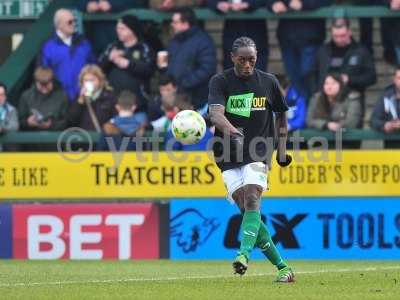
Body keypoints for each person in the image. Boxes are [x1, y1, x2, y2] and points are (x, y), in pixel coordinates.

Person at [207, 36, 294, 282]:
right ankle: (284, 269)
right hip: (227, 154)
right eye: (242, 60)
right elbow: (215, 114)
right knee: (247, 211)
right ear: (232, 57)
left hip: (259, 149)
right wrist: (234, 133)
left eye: (252, 60)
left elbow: (281, 117)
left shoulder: (269, 82)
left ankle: (243, 255)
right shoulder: (220, 81)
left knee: (253, 197)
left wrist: (282, 150)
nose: (247, 64)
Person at [308, 17, 376, 116]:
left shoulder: (361, 51)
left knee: (349, 130)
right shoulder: (323, 50)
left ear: (350, 32)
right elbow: (312, 73)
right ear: (331, 33)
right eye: (336, 36)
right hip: (325, 101)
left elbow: (372, 77)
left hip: (351, 102)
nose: (339, 39)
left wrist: (349, 79)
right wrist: (316, 92)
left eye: (343, 35)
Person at [267, 0, 332, 99]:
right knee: (293, 77)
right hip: (287, 37)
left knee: (308, 76)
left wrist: (304, 4)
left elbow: (327, 2)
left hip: (311, 37)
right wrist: (273, 4)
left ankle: (310, 108)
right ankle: (302, 110)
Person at [161, 7, 217, 110]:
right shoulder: (174, 41)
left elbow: (207, 68)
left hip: (197, 98)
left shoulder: (203, 41)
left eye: (175, 22)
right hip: (176, 96)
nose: (172, 24)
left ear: (185, 23)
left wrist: (184, 83)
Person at [99, 15, 156, 111]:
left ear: (132, 30)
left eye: (122, 28)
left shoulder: (144, 48)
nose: (118, 31)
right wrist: (109, 59)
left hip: (138, 103)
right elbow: (98, 69)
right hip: (113, 102)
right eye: (117, 28)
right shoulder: (113, 46)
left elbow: (149, 70)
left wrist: (128, 64)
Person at [40, 8, 95, 102]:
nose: (74, 24)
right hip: (59, 101)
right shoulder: (48, 47)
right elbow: (43, 75)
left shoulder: (84, 43)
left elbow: (93, 69)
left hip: (84, 99)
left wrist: (89, 93)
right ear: (59, 25)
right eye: (70, 22)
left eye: (75, 21)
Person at [208, 0, 269, 71]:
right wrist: (218, 4)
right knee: (231, 69)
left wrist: (248, 4)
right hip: (232, 31)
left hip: (255, 32)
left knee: (257, 70)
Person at [68, 65, 117, 131]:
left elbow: (115, 119)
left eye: (92, 80)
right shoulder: (78, 97)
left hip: (102, 138)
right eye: (86, 80)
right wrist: (80, 102)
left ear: (100, 81)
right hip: (84, 138)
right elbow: (71, 121)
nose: (89, 83)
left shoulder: (110, 97)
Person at [18, 67, 68, 131]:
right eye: (41, 84)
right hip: (31, 137)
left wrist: (52, 125)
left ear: (52, 81)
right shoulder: (26, 96)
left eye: (46, 84)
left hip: (55, 137)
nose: (44, 88)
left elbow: (66, 121)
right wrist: (28, 122)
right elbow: (20, 120)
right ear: (36, 82)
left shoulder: (62, 97)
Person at [370, 66, 400, 147]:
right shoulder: (386, 96)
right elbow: (374, 120)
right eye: (399, 78)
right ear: (394, 80)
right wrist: (385, 125)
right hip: (391, 145)